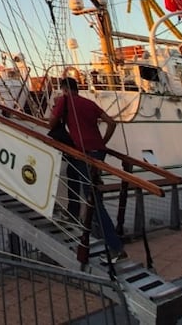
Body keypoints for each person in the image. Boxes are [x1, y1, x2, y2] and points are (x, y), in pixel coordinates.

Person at [48, 77, 126, 262]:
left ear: (65, 90)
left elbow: (51, 124)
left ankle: (116, 247)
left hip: (85, 153)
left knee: (94, 202)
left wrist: (56, 111)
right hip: (97, 152)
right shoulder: (89, 103)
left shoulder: (64, 101)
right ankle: (74, 212)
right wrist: (102, 144)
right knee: (73, 173)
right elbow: (112, 123)